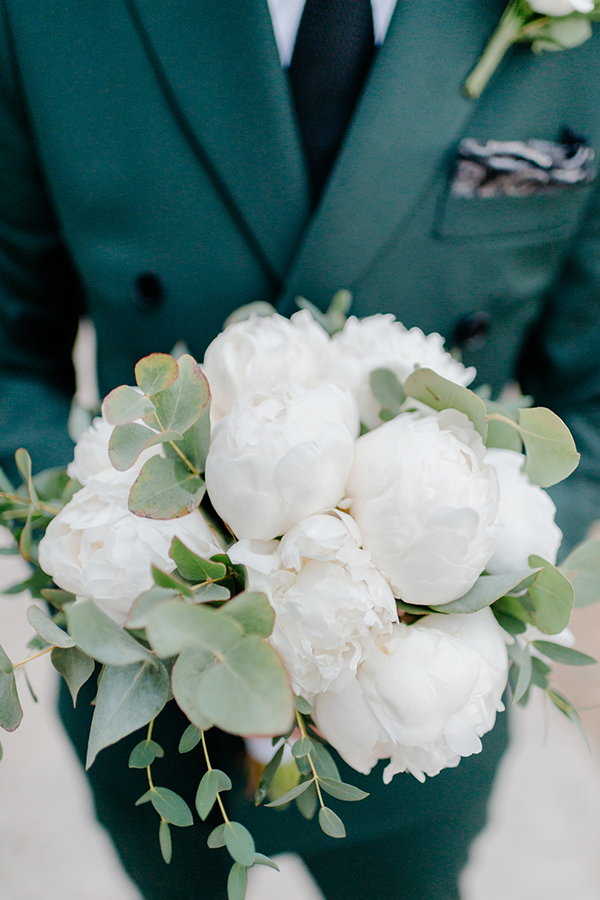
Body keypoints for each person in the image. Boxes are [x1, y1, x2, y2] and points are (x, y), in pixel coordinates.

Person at [1, 1, 600, 898]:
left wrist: (481, 556)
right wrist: (112, 556)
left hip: (412, 712)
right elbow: (11, 359)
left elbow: (589, 403)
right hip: (151, 697)